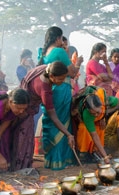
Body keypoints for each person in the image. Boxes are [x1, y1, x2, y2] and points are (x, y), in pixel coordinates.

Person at [12, 61, 76, 171]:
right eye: (60, 79)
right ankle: (20, 167)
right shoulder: (45, 89)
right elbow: (53, 116)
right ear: (51, 76)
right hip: (25, 108)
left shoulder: (47, 68)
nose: (61, 82)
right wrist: (68, 134)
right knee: (24, 136)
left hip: (27, 102)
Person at [36, 26, 82, 170]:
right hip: (62, 88)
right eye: (62, 39)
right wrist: (78, 62)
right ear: (58, 38)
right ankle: (61, 160)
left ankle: (51, 160)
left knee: (51, 119)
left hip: (50, 88)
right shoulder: (59, 51)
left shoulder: (43, 53)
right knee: (62, 121)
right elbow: (73, 73)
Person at [0, 88, 30, 171]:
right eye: (19, 108)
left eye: (24, 108)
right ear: (10, 102)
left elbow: (7, 120)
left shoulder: (12, 108)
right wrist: (0, 158)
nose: (21, 111)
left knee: (2, 139)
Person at [72, 86, 118, 164]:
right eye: (93, 113)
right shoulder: (87, 114)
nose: (96, 114)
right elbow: (94, 136)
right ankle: (84, 153)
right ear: (88, 110)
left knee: (101, 128)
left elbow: (118, 103)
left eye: (98, 112)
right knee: (84, 129)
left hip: (101, 115)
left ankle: (95, 152)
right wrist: (105, 157)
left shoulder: (107, 100)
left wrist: (103, 116)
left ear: (102, 105)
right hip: (82, 120)